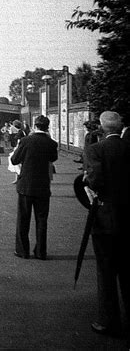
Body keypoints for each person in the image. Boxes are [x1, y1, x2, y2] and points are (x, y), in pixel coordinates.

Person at [83, 111, 130, 338]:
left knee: (107, 271)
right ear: (121, 127)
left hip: (106, 218)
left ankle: (108, 321)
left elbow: (95, 180)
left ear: (102, 128)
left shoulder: (95, 150)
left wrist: (88, 182)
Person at [10, 115, 58, 260]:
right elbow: (53, 158)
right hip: (43, 186)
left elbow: (14, 160)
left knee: (23, 219)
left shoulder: (25, 141)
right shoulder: (51, 143)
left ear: (35, 126)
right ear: (47, 127)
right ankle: (40, 252)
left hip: (26, 186)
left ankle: (22, 251)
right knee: (42, 220)